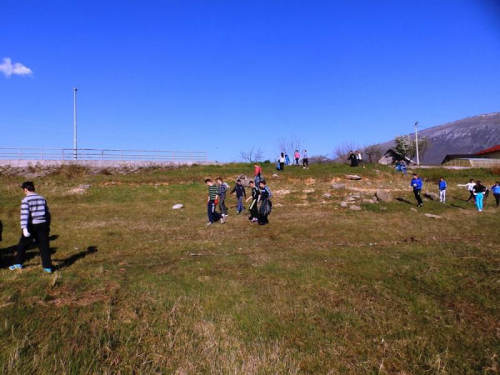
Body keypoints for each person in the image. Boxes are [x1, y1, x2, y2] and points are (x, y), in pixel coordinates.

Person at [10, 181, 53, 273]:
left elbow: (24, 215)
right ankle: (47, 267)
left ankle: (18, 264)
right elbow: (47, 213)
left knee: (22, 245)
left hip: (31, 225)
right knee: (44, 246)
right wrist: (48, 224)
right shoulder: (42, 198)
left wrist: (24, 228)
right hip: (43, 225)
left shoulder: (26, 200)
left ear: (25, 190)